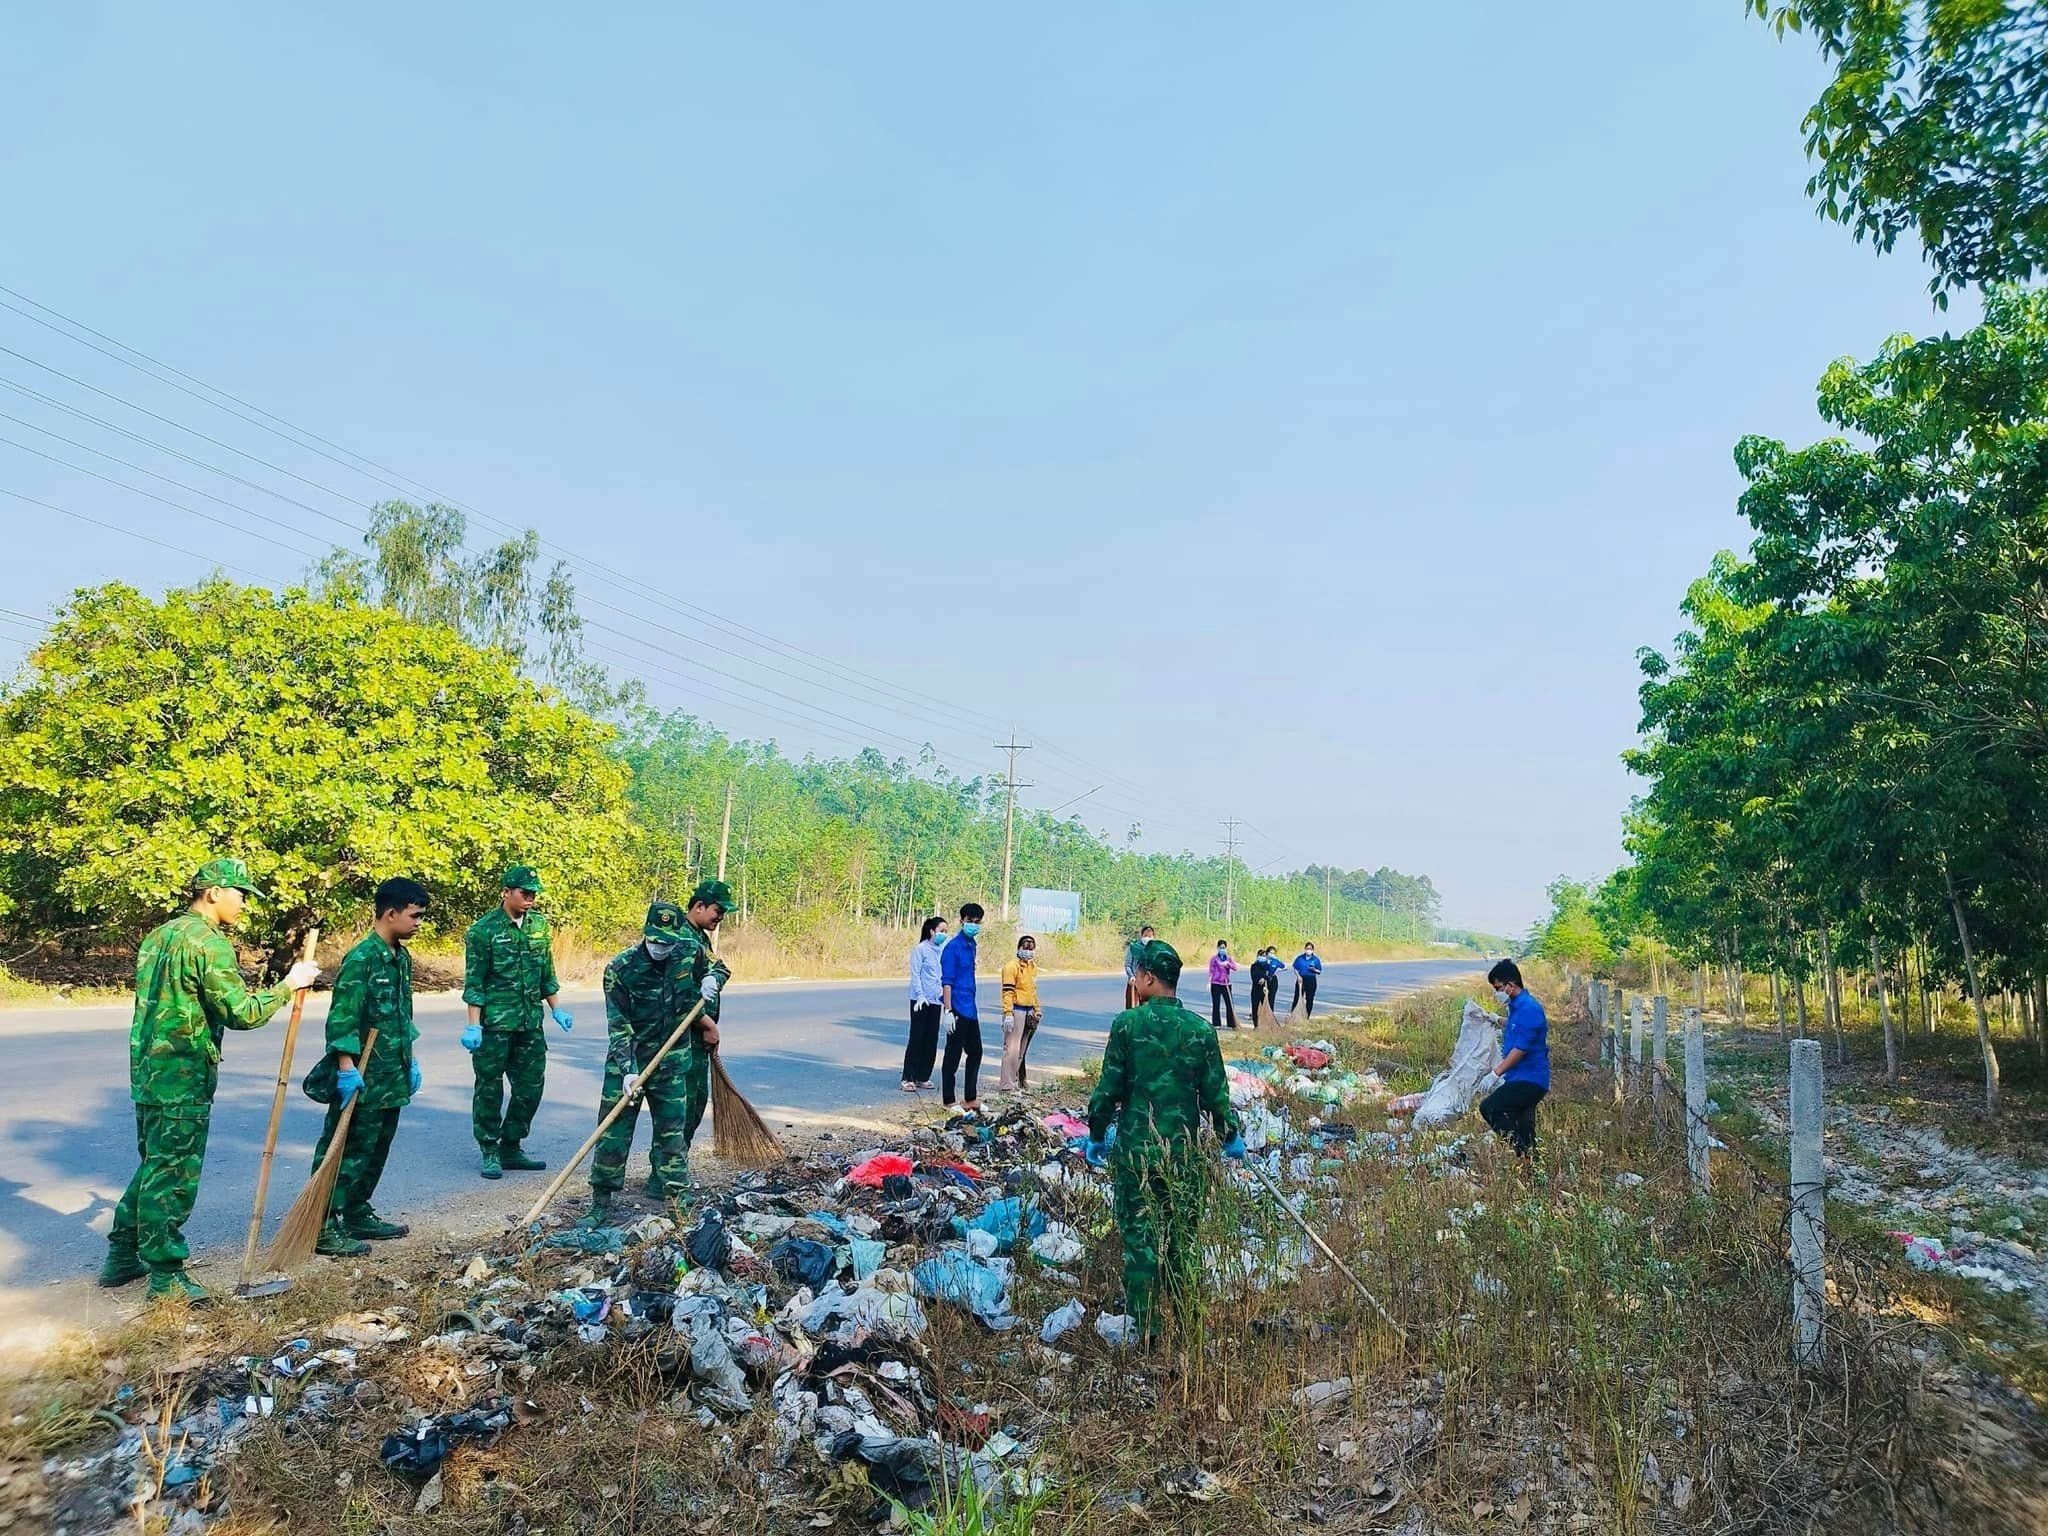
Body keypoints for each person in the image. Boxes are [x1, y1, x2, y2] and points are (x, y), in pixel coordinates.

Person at [103, 857, 321, 1302]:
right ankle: (165, 1278)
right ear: (213, 893)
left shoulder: (159, 935)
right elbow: (241, 1013)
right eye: (240, 894)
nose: (244, 904)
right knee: (174, 1171)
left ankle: (122, 1253)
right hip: (183, 1073)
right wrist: (288, 984)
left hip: (149, 1069)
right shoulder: (209, 943)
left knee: (155, 1163)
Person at [1086, 939, 1243, 1344]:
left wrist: (1097, 1134)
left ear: (1149, 978)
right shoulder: (1199, 1030)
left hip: (1137, 1154)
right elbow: (1215, 1095)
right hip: (1184, 1155)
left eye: (1136, 973)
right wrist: (1230, 1136)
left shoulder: (1128, 1026)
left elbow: (1108, 1089)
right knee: (1183, 1240)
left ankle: (1149, 1329)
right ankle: (1189, 1326)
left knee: (1140, 1242)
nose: (1134, 979)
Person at [587, 887, 731, 1218]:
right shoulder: (620, 969)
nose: (661, 948)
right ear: (646, 934)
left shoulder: (687, 951)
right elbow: (618, 1026)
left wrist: (712, 980)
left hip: (671, 1061)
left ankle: (678, 1205)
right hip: (630, 1061)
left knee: (673, 1136)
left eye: (666, 942)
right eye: (656, 941)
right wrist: (627, 1070)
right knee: (613, 1134)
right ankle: (600, 1204)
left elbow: (720, 966)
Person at [306, 877, 429, 1258]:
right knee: (346, 1147)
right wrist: (345, 1066)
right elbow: (343, 1017)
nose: (418, 923)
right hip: (362, 1072)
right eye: (415, 915)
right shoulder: (362, 958)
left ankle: (357, 1210)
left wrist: (410, 1059)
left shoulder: (400, 958)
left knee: (376, 1147)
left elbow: (401, 1014)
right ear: (390, 913)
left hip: (392, 1071)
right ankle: (322, 1223)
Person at [461, 865, 573, 1180]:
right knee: (489, 1088)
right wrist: (473, 1024)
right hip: (495, 1025)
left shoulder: (538, 926)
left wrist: (556, 1009)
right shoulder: (483, 931)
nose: (530, 899)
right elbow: (475, 983)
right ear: (506, 892)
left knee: (530, 1086)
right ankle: (489, 1149)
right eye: (524, 893)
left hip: (529, 1023)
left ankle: (511, 1145)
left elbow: (546, 974)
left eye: (533, 893)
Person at [1478, 958, 1549, 1157]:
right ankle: (1532, 1169)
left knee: (1490, 1108)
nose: (1496, 993)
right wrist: (1494, 1019)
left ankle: (1520, 1148)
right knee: (1524, 1124)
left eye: (1498, 988)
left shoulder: (1530, 1008)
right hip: (1520, 1077)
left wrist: (1495, 1073)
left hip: (1530, 1079)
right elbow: (1516, 1026)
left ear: (1511, 985)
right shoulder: (1518, 1007)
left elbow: (1521, 1049)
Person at [939, 900, 984, 1110]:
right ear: (962, 920)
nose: (973, 924)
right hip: (956, 1005)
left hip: (970, 1007)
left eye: (977, 921)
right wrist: (947, 1011)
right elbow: (947, 981)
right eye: (969, 921)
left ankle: (970, 1098)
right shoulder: (953, 947)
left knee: (976, 1051)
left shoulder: (972, 945)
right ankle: (949, 1100)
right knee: (953, 1055)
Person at [903, 915, 947, 1092]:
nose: (944, 934)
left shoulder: (943, 949)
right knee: (917, 1037)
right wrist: (920, 995)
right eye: (941, 931)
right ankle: (908, 1077)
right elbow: (916, 974)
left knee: (931, 1038)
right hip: (920, 1000)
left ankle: (923, 1076)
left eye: (945, 931)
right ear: (931, 931)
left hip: (936, 999)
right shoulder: (920, 949)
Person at [999, 933, 1042, 1092]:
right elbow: (1008, 991)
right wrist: (1008, 1012)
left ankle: (1015, 1081)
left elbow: (1033, 990)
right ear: (1018, 948)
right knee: (1011, 1048)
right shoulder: (1011, 967)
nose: (1029, 949)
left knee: (1021, 1050)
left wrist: (1037, 1009)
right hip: (1016, 1009)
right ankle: (1007, 1084)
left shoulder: (1032, 967)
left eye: (1031, 947)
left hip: (1028, 1009)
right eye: (1025, 946)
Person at [1207, 939, 1241, 1030]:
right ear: (1217, 948)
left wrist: (1228, 964)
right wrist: (1209, 982)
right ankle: (1216, 1023)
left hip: (1226, 983)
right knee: (1216, 1003)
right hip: (1216, 983)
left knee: (1229, 1003)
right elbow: (1211, 970)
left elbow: (1235, 968)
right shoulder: (1214, 959)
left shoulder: (1228, 958)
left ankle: (1231, 1023)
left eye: (1223, 947)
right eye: (1220, 947)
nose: (1222, 949)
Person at [1123, 924, 1155, 1009]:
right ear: (1141, 936)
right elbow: (1128, 965)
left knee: (1146, 1009)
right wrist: (1131, 976)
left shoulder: (1154, 949)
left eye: (1150, 936)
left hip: (1147, 984)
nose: (1147, 938)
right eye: (1145, 935)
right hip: (1134, 981)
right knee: (1131, 1008)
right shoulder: (1134, 947)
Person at [1291, 941, 1325, 1018]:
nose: (1308, 950)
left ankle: (1306, 1016)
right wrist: (1298, 976)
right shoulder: (1300, 958)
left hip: (1311, 979)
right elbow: (1295, 968)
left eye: (1310, 949)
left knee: (1309, 999)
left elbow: (1319, 971)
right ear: (1305, 949)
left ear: (1313, 950)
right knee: (1297, 997)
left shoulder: (1315, 959)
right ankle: (1293, 1015)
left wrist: (1314, 969)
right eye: (1307, 948)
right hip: (1301, 979)